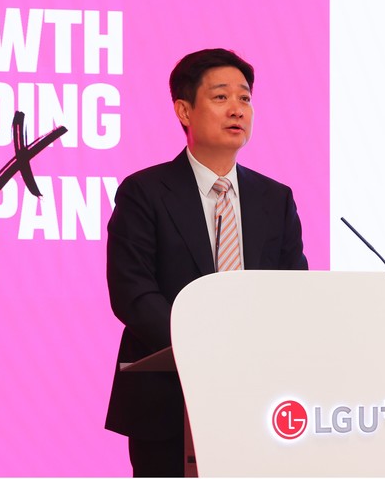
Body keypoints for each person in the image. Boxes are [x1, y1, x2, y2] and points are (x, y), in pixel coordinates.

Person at [105, 48, 308, 477]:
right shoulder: (144, 192)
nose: (237, 109)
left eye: (245, 98)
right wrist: (205, 347)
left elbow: (294, 292)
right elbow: (133, 293)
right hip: (168, 400)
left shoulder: (275, 199)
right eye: (220, 97)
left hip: (259, 399)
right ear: (184, 110)